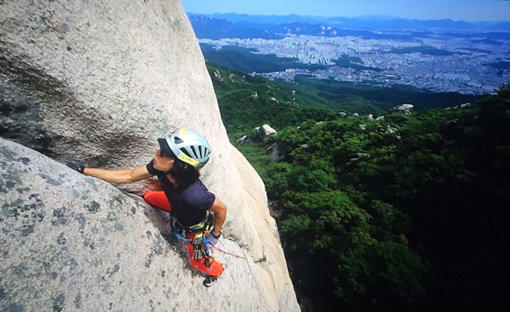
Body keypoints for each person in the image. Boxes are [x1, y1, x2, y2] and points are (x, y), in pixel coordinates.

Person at [66, 129, 227, 287]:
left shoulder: (195, 194)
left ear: (182, 165)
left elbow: (221, 209)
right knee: (148, 196)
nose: (157, 153)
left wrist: (215, 234)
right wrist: (84, 170)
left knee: (197, 261)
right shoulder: (160, 167)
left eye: (163, 153)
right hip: (175, 204)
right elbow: (128, 176)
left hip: (194, 227)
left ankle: (216, 272)